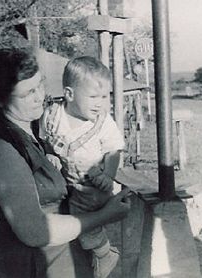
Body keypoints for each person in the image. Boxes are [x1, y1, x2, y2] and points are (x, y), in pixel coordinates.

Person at [0, 48, 132, 278]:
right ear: (0, 99)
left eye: (40, 85)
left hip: (65, 260)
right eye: (28, 93)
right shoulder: (1, 149)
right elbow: (34, 231)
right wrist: (105, 215)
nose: (40, 96)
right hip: (32, 267)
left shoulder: (40, 128)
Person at [39, 56, 127, 278]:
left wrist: (108, 175)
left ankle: (105, 253)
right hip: (68, 179)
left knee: (83, 222)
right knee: (62, 215)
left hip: (92, 183)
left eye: (104, 96)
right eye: (93, 96)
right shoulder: (53, 115)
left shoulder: (103, 122)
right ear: (69, 94)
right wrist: (50, 152)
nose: (100, 103)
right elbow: (47, 138)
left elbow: (114, 150)